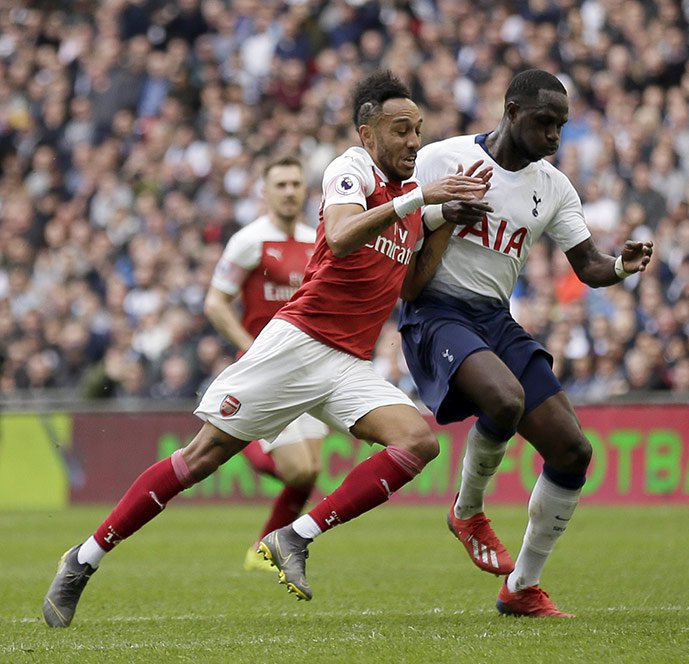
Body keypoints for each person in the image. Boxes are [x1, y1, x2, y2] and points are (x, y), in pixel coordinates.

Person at [42, 70, 491, 627]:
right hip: (297, 345)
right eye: (401, 130)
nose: (415, 142)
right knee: (200, 459)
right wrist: (426, 200)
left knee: (419, 443)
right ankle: (83, 559)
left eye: (419, 130)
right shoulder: (351, 170)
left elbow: (411, 287)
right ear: (368, 134)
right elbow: (346, 235)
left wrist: (445, 219)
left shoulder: (409, 199)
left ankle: (295, 538)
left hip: (349, 363)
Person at [399, 69, 653, 618]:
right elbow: (397, 232)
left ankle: (521, 587)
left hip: (494, 318)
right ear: (511, 111)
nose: (554, 137)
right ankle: (467, 511)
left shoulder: (553, 186)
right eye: (544, 123)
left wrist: (619, 267)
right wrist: (441, 211)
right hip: (435, 313)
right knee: (506, 399)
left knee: (573, 450)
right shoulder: (439, 161)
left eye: (562, 126)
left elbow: (586, 266)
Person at [202, 154, 330, 572]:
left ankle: (262, 548)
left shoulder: (317, 240)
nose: (290, 191)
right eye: (281, 185)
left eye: (296, 184)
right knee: (297, 470)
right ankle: (242, 443)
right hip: (264, 368)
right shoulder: (248, 241)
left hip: (306, 367)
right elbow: (216, 302)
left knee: (309, 471)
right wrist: (248, 346)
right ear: (265, 192)